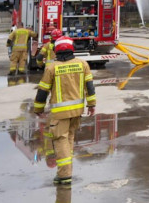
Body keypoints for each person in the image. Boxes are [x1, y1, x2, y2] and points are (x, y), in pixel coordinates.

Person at [33, 37, 97, 186]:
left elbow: (43, 91)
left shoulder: (51, 68)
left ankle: (64, 175)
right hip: (77, 111)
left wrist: (38, 109)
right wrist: (92, 105)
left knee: (61, 140)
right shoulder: (83, 64)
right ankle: (68, 171)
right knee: (69, 139)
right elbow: (90, 87)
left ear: (57, 51)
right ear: (71, 49)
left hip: (60, 113)